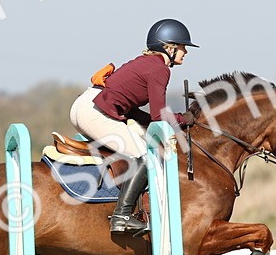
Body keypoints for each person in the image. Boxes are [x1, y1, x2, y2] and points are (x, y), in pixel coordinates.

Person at [70, 18, 197, 234]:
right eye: (183, 47)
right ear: (169, 47)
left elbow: (136, 112)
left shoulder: (146, 63)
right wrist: (185, 119)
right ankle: (121, 216)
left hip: (86, 106)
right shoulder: (160, 69)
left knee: (141, 145)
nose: (186, 52)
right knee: (147, 156)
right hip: (93, 113)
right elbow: (159, 116)